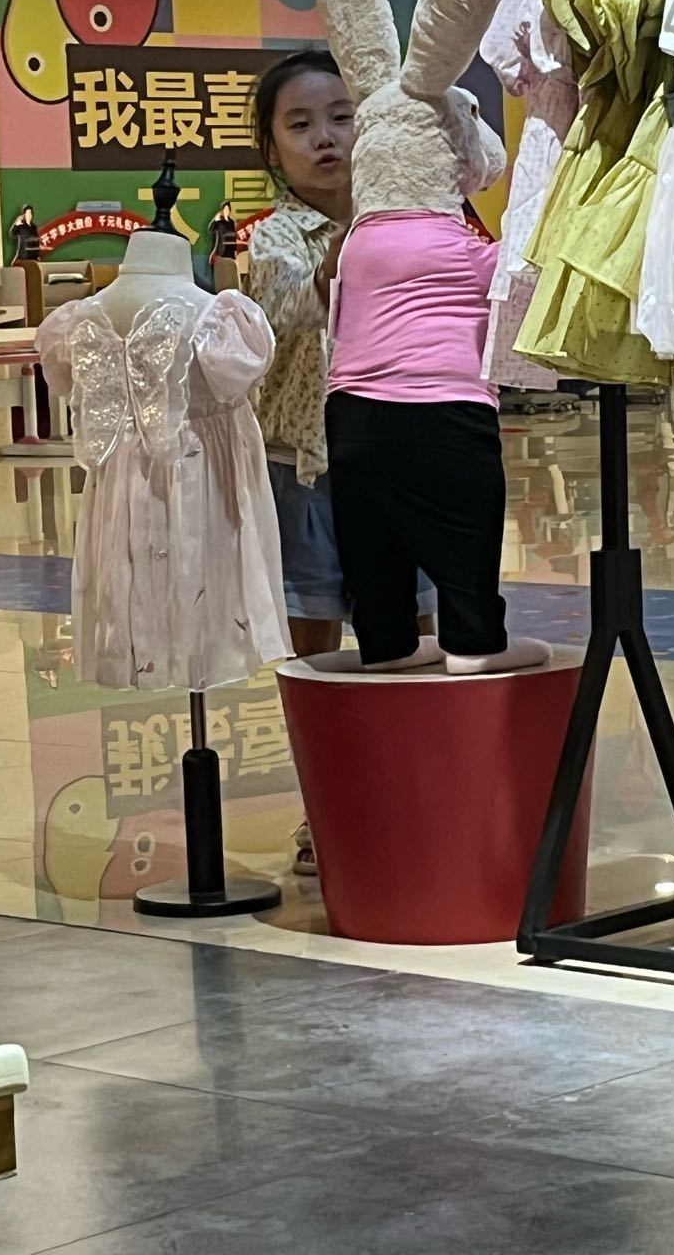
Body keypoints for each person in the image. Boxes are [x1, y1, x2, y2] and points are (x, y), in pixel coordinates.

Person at [248, 49, 436, 875]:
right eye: (300, 125)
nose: (324, 137)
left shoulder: (416, 217)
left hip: (401, 457)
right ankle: (325, 812)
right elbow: (288, 302)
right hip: (305, 468)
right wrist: (359, 251)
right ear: (272, 147)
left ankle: (420, 793)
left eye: (341, 117)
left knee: (418, 635)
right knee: (315, 645)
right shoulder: (273, 238)